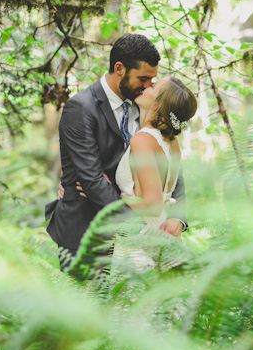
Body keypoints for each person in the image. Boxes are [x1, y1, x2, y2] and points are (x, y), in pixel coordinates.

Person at [45, 34, 187, 273]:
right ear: (119, 69)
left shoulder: (146, 107)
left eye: (152, 80)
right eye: (143, 78)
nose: (148, 85)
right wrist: (137, 228)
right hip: (89, 230)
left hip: (143, 234)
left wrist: (178, 218)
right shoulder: (81, 108)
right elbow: (91, 180)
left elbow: (170, 169)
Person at [113, 77, 197, 270]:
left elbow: (153, 204)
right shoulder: (172, 142)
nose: (146, 85)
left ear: (157, 105)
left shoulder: (142, 140)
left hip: (142, 239)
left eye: (153, 86)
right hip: (164, 232)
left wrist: (117, 201)